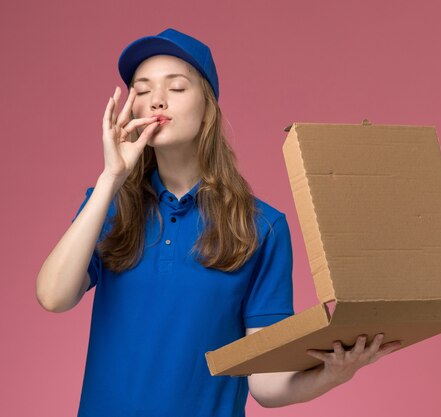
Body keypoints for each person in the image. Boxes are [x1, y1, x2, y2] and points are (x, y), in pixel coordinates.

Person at [36, 28, 402, 416]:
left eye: (176, 87)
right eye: (141, 91)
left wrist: (333, 373)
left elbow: (266, 383)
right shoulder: (108, 205)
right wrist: (111, 178)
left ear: (208, 106)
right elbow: (54, 297)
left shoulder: (261, 227)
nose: (157, 100)